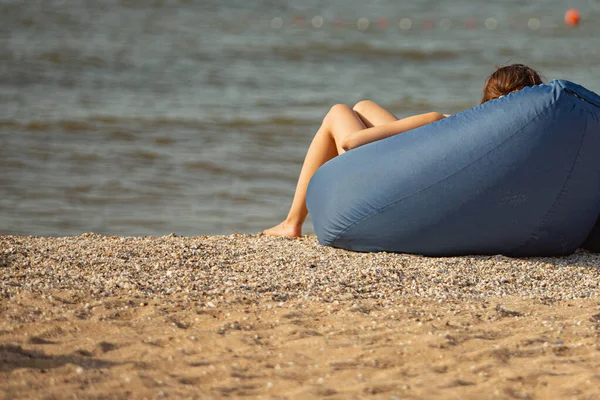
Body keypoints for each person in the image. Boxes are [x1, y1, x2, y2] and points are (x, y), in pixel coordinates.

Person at [263, 64, 545, 238]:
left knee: (339, 112)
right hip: (422, 183)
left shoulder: (443, 121)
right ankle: (291, 223)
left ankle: (292, 222)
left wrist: (429, 119)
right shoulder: (521, 144)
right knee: (363, 107)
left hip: (385, 189)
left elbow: (350, 143)